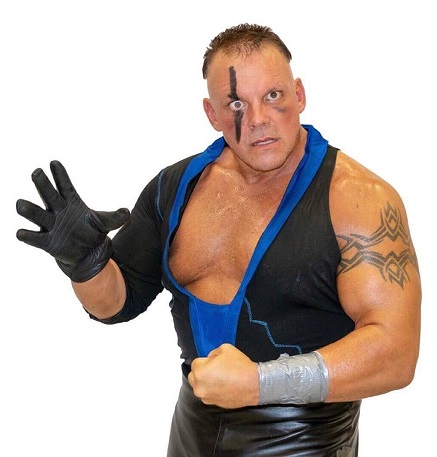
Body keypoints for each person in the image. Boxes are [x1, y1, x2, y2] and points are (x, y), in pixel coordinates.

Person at [16, 23, 421, 457]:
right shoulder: (175, 188)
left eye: (273, 95)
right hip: (191, 435)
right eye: (236, 103)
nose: (259, 119)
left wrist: (259, 384)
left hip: (305, 442)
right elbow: (115, 304)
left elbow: (396, 354)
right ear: (212, 114)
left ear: (300, 95)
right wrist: (86, 265)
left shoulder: (358, 200)